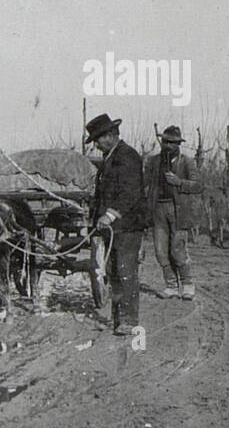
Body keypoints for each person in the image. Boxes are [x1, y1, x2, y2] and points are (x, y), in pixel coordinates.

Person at [85, 113, 146, 336]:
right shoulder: (111, 158)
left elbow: (130, 193)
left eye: (98, 140)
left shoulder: (128, 157)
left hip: (127, 225)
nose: (96, 145)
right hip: (113, 227)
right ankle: (119, 317)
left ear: (110, 136)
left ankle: (129, 320)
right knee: (113, 270)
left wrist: (110, 215)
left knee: (125, 270)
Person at [143, 125, 204, 300]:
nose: (168, 145)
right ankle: (170, 285)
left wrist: (179, 182)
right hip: (158, 209)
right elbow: (144, 183)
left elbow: (198, 185)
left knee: (178, 249)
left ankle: (187, 284)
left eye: (172, 142)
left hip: (178, 211)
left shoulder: (186, 161)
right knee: (160, 250)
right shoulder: (154, 162)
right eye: (165, 141)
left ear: (178, 144)